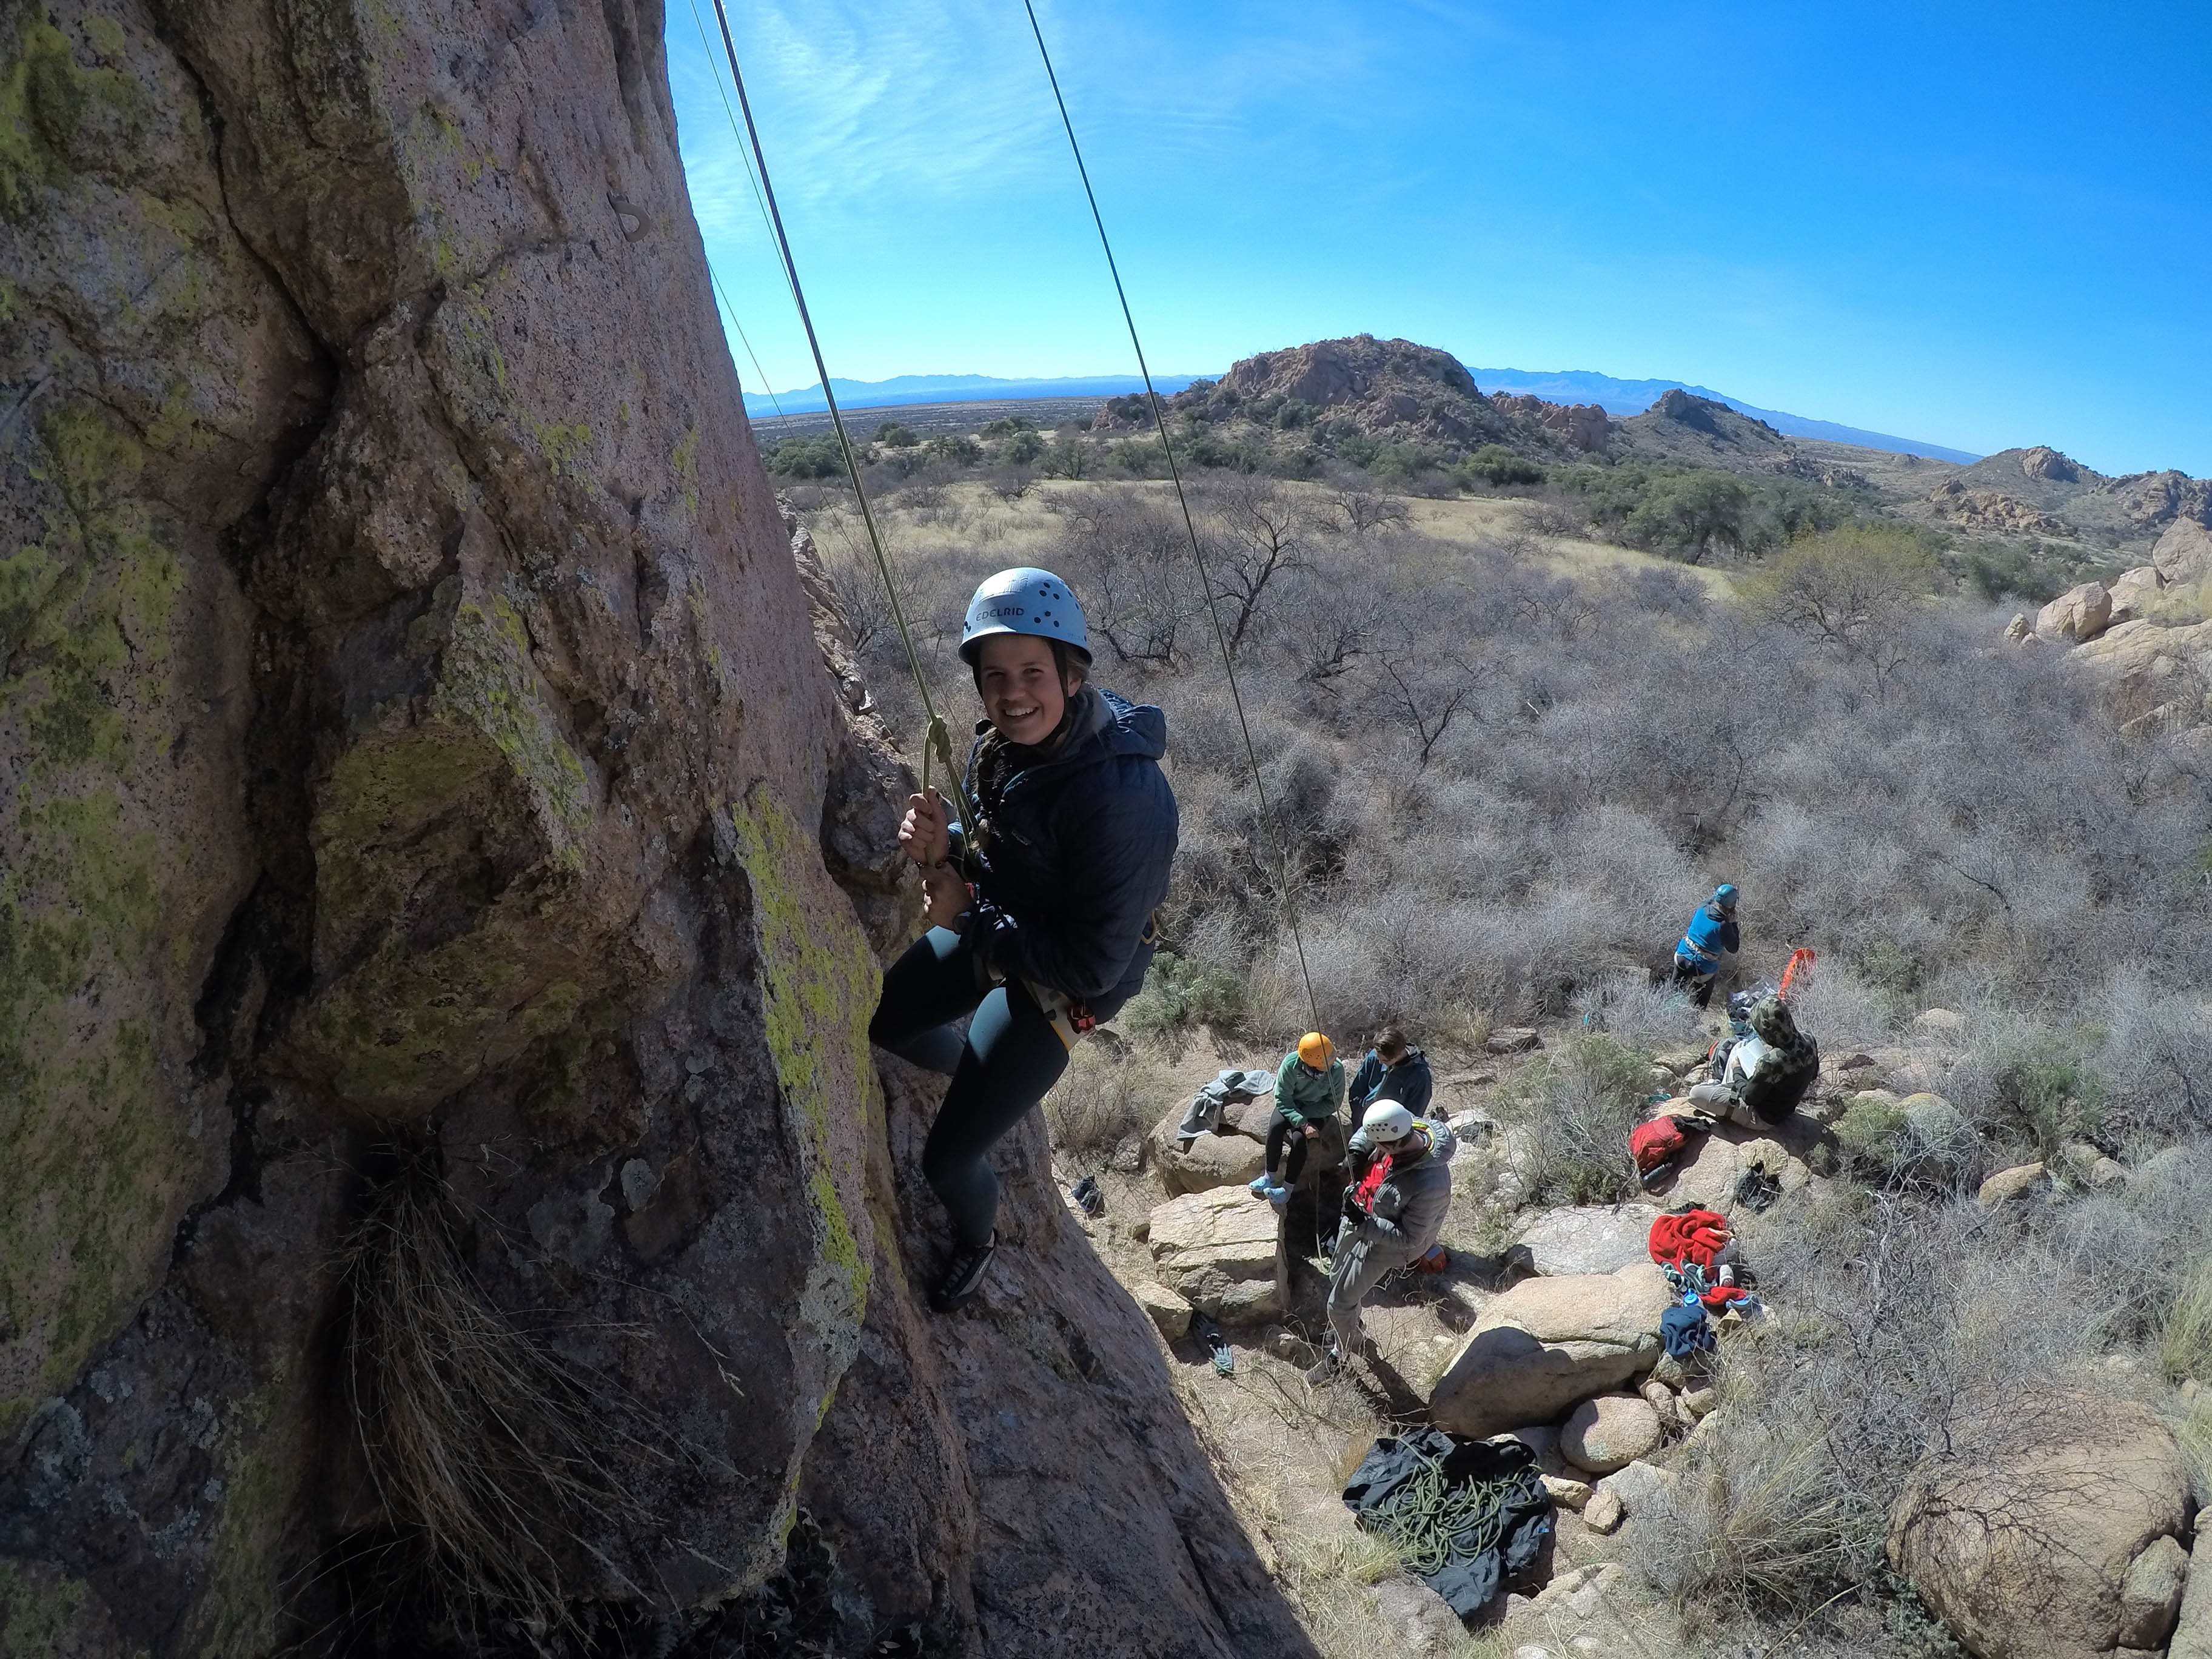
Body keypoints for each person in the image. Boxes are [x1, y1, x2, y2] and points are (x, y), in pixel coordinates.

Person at [868, 568, 1178, 1313]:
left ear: (1072, 676)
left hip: (1062, 982)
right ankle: (979, 1080)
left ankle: (978, 1241)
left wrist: (967, 920)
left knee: (946, 1159)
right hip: (1009, 921)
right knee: (885, 1018)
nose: (1013, 694)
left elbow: (1093, 965)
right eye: (995, 675)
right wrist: (941, 845)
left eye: (1033, 672)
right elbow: (1001, 847)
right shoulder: (1002, 750)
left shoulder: (1124, 802)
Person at [1308, 1101, 1455, 1383]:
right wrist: (1356, 1152)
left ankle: (1341, 1353)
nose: (1375, 1149)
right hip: (1362, 1214)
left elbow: (1410, 1238)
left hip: (1385, 1244)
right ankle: (1353, 1325)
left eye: (1378, 1147)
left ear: (1392, 1146)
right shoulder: (1410, 1124)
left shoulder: (1429, 1184)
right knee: (1337, 1274)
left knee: (1337, 1304)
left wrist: (1365, 1224)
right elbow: (1367, 1133)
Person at [1687, 994, 1820, 1128]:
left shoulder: (1771, 1062)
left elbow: (1748, 1098)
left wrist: (1737, 1069)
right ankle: (1724, 1086)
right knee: (1741, 1046)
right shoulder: (1809, 1038)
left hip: (1761, 1117)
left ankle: (1721, 1086)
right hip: (1784, 1106)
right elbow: (1813, 1075)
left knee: (1695, 1093)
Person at [1249, 1032, 1345, 1208]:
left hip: (1316, 1109)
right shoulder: (1291, 1065)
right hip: (1291, 1104)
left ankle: (1287, 1189)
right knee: (1276, 1128)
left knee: (1300, 1140)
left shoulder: (1336, 1070)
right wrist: (1301, 1122)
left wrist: (1306, 1118)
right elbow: (1282, 1098)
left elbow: (1333, 1103)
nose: (1330, 1066)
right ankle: (1269, 1176)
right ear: (1311, 1064)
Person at [1672, 883, 1741, 1008]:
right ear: (1732, 904)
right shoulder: (1724, 925)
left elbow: (1710, 900)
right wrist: (1734, 924)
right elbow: (1734, 948)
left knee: (1672, 992)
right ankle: (1693, 1022)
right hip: (1702, 967)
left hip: (1682, 955)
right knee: (1700, 1006)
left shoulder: (1702, 907)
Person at [1347, 1025, 1433, 1121]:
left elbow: (1415, 1114)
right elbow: (1356, 1091)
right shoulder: (1375, 1056)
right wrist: (1359, 1115)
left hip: (1393, 1128)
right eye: (1378, 1056)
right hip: (1364, 1122)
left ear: (1399, 1054)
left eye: (1384, 1061)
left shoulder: (1420, 1076)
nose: (1379, 1062)